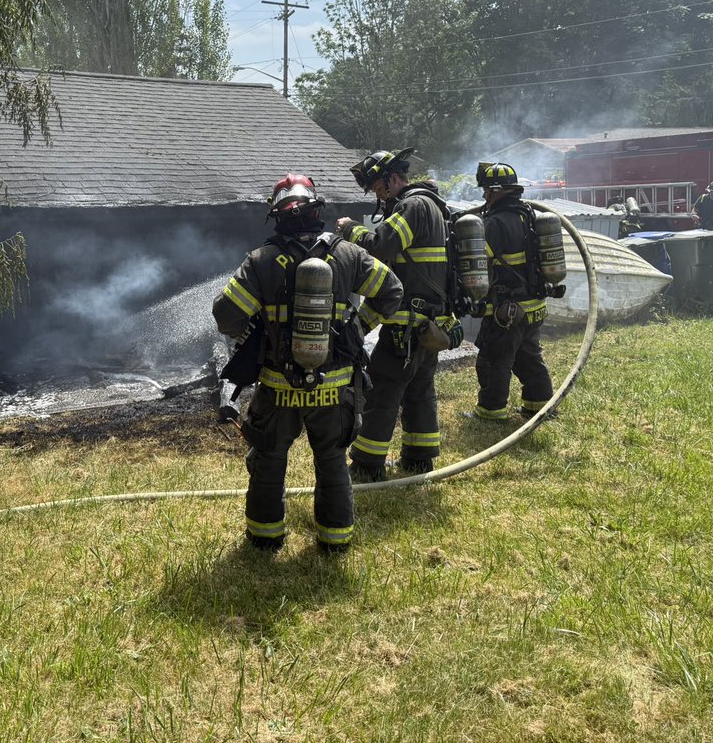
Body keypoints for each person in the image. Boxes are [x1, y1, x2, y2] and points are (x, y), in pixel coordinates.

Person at [213, 173, 402, 553]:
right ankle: (334, 542)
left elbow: (227, 317)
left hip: (278, 388)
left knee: (268, 462)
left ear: (277, 215)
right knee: (332, 461)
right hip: (335, 390)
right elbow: (392, 291)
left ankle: (265, 540)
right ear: (317, 210)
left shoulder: (261, 260)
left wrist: (261, 329)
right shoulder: (348, 254)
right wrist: (356, 326)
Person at [335, 148, 458, 482]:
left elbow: (380, 246)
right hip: (426, 323)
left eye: (377, 188)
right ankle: (419, 459)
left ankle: (366, 465)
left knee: (382, 394)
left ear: (393, 179)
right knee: (419, 393)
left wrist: (350, 230)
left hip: (405, 325)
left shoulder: (412, 206)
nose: (377, 195)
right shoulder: (434, 207)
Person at [471, 162, 555, 421]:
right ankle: (538, 404)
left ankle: (491, 411)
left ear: (497, 191)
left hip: (508, 309)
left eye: (486, 190)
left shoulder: (495, 223)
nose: (484, 196)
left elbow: (479, 261)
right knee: (528, 358)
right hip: (533, 306)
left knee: (494, 360)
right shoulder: (527, 215)